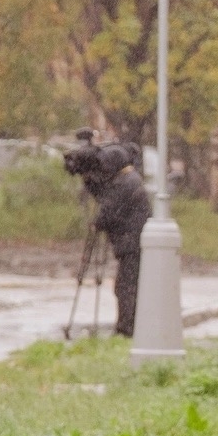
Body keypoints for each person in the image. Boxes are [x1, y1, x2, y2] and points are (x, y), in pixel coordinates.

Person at [67, 129, 151, 338]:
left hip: (132, 244)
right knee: (126, 286)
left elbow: (109, 211)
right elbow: (106, 198)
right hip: (133, 243)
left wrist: (96, 223)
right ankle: (127, 326)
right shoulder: (130, 179)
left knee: (125, 287)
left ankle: (127, 329)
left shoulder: (126, 183)